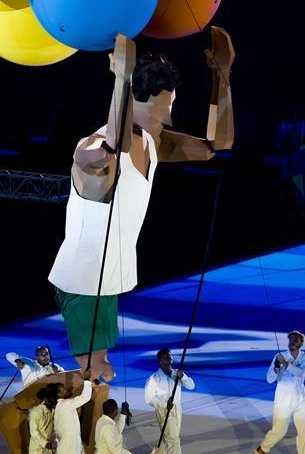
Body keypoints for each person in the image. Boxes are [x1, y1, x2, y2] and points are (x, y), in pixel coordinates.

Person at [49, 28, 234, 381]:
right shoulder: (101, 141)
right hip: (83, 278)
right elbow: (93, 154)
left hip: (107, 278)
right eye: (171, 99)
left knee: (100, 374)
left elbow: (217, 145)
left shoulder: (152, 142)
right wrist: (121, 77)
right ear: (165, 100)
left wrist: (222, 74)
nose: (172, 106)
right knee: (94, 373)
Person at [252, 331, 305, 454]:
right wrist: (275, 368)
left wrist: (285, 364)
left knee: (304, 431)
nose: (293, 342)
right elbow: (269, 379)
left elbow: (300, 373)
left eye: (296, 340)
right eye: (291, 339)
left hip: (300, 400)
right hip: (283, 400)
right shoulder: (278, 356)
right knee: (279, 431)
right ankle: (260, 452)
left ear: (301, 344)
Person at [1, 345, 64, 454]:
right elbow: (9, 354)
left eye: (47, 354)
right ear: (37, 357)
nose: (46, 357)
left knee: (38, 443)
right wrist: (18, 361)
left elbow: (66, 378)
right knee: (38, 442)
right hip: (33, 410)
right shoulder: (29, 366)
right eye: (43, 355)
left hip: (48, 410)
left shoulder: (54, 367)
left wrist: (58, 372)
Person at [138, 348, 195, 454]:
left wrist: (183, 377)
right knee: (174, 441)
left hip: (177, 409)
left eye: (169, 357)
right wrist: (164, 403)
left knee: (167, 440)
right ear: (160, 360)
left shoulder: (177, 374)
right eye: (165, 357)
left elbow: (191, 386)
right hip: (164, 411)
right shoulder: (153, 379)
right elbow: (148, 399)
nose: (168, 360)